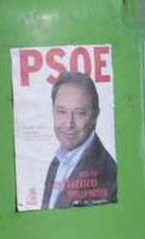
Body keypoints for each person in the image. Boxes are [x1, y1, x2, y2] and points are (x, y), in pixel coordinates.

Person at [41, 71, 117, 209]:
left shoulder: (107, 174)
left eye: (80, 113)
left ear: (95, 116)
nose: (69, 123)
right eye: (61, 112)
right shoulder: (58, 160)